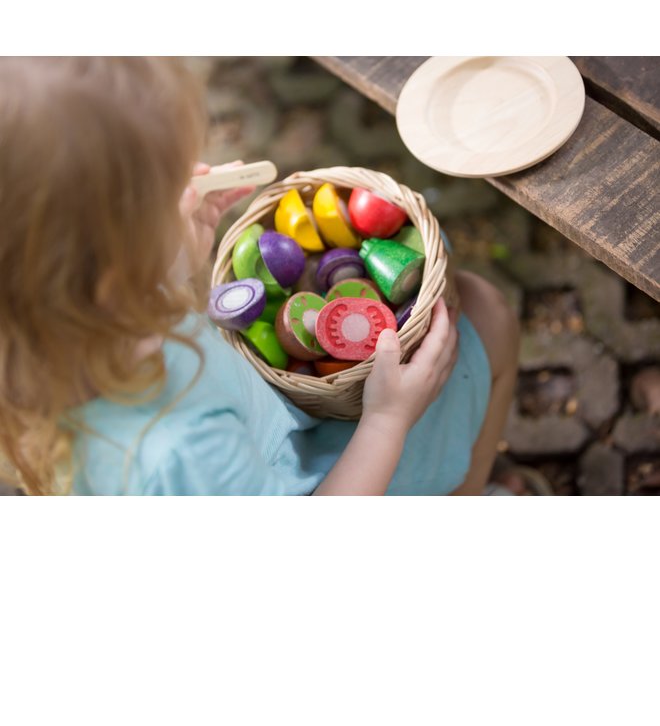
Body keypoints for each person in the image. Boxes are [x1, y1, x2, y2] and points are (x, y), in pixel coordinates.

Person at [0, 57, 520, 496]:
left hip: (277, 425)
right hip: (319, 478)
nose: (188, 191)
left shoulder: (56, 329)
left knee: (466, 298)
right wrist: (388, 422)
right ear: (116, 277)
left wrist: (176, 259)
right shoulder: (182, 450)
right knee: (488, 315)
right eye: (165, 195)